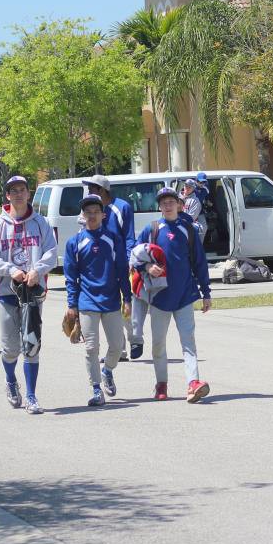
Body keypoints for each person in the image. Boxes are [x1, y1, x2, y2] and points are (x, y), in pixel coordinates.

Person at [0, 176, 57, 414]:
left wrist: (38, 270)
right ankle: (10, 380)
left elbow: (51, 253)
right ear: (7, 195)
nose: (17, 194)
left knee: (32, 345)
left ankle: (32, 396)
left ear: (28, 193)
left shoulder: (40, 223)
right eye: (12, 190)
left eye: (22, 190)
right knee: (10, 348)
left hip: (32, 294)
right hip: (7, 293)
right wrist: (11, 270)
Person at [134, 187, 212, 403]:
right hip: (160, 297)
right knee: (158, 344)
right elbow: (133, 255)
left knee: (188, 341)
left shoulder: (188, 229)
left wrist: (206, 292)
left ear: (179, 204)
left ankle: (193, 383)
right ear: (159, 206)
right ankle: (161, 384)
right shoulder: (152, 229)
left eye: (171, 202)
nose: (167, 206)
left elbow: (200, 262)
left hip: (185, 295)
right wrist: (147, 267)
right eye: (163, 202)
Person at [65, 194, 132, 407]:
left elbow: (122, 269)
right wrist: (72, 305)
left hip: (111, 300)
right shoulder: (75, 242)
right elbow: (70, 276)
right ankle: (96, 389)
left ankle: (107, 371)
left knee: (117, 344)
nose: (92, 216)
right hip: (87, 302)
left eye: (96, 212)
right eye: (88, 212)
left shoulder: (113, 238)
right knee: (91, 348)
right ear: (83, 216)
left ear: (103, 215)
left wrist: (127, 298)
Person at [80, 174, 139, 360]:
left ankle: (135, 339)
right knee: (112, 307)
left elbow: (129, 236)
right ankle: (120, 350)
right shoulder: (89, 209)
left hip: (121, 261)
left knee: (126, 303)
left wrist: (130, 259)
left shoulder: (122, 207)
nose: (89, 191)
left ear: (102, 190)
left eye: (92, 188)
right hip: (100, 265)